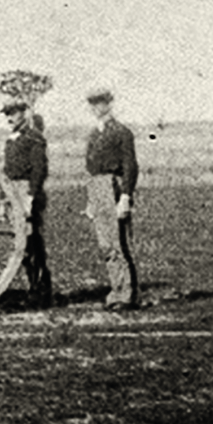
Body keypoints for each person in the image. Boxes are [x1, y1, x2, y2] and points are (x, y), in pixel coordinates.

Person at [84, 87, 140, 310]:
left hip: (113, 186)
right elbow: (91, 169)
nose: (96, 108)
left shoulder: (121, 132)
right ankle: (116, 290)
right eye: (93, 104)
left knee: (119, 243)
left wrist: (125, 196)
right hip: (97, 187)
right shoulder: (94, 134)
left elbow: (130, 166)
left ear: (109, 104)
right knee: (106, 244)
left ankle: (127, 294)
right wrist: (91, 200)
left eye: (100, 103)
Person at [1, 100, 52, 308]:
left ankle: (41, 291)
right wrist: (2, 201)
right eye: (7, 114)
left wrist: (30, 197)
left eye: (13, 113)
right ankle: (33, 288)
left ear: (24, 114)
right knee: (22, 244)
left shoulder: (34, 138)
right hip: (13, 191)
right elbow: (5, 173)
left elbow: (40, 170)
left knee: (31, 243)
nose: (9, 118)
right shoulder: (11, 141)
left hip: (26, 191)